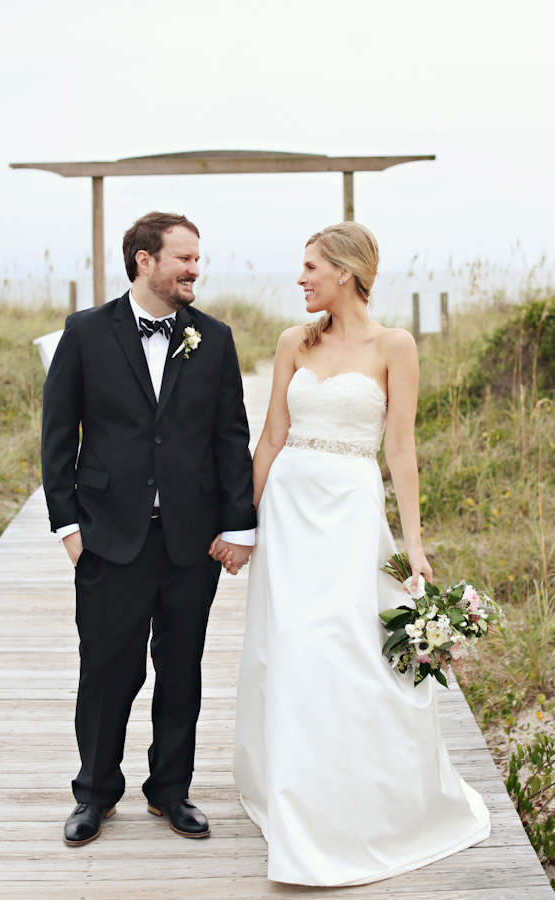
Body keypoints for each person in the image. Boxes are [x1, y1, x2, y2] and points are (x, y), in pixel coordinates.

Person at [229, 222, 490, 886]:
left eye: (311, 266)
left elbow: (400, 450)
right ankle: (294, 804)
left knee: (347, 647)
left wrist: (415, 543)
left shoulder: (395, 346)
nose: (300, 278)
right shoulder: (294, 341)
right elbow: (269, 440)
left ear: (344, 272)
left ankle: (357, 799)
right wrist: (244, 527)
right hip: (287, 510)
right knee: (289, 647)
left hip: (349, 512)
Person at [41, 211, 256, 847]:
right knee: (107, 670)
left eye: (197, 258)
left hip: (191, 538)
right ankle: (95, 793)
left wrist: (239, 526)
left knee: (181, 667)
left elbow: (230, 436)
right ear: (144, 261)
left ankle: (170, 790)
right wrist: (69, 528)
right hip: (108, 535)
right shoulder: (83, 333)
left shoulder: (213, 338)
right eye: (184, 258)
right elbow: (58, 435)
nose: (196, 269)